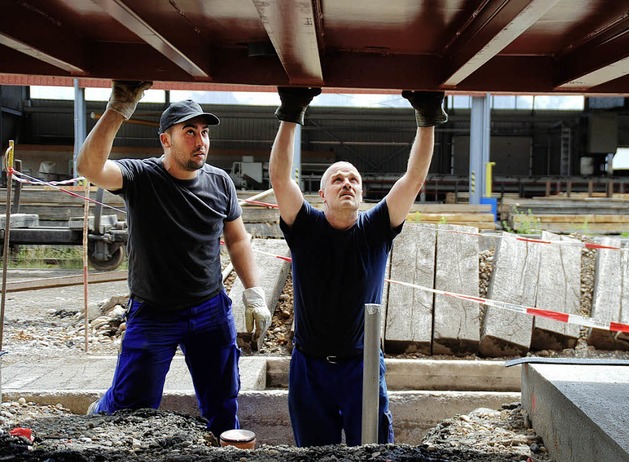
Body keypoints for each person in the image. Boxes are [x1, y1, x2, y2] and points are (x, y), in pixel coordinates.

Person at [76, 81, 271, 441]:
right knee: (132, 404)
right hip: (154, 313)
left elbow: (237, 237)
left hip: (210, 311)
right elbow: (89, 166)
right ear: (165, 139)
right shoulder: (140, 177)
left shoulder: (220, 182)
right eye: (189, 132)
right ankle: (100, 411)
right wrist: (119, 107)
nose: (201, 141)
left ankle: (220, 449)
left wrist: (254, 291)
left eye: (204, 132)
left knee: (223, 402)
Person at [268, 87, 447, 446]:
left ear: (362, 194)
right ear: (322, 195)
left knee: (373, 452)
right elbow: (280, 178)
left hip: (361, 366)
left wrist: (427, 118)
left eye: (353, 180)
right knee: (315, 454)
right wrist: (291, 111)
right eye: (337, 179)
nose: (346, 183)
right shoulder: (305, 228)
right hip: (309, 366)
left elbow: (413, 180)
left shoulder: (376, 229)